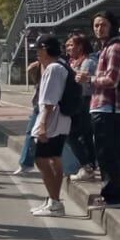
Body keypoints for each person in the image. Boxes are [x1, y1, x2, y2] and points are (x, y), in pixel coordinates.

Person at [88, 11, 120, 209]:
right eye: (96, 25)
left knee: (108, 154)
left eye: (103, 25)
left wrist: (88, 79)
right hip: (104, 107)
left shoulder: (115, 48)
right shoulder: (107, 47)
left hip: (109, 107)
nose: (99, 29)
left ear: (112, 26)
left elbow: (112, 80)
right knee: (111, 153)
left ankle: (113, 197)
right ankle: (116, 196)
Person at [30, 37, 74, 217]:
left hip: (52, 122)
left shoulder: (54, 69)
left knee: (43, 159)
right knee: (53, 158)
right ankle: (53, 200)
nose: (37, 53)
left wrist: (42, 125)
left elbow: (49, 101)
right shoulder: (62, 65)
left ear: (45, 49)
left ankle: (55, 202)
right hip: (61, 120)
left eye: (38, 49)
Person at [64, 34, 99, 181]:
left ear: (80, 46)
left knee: (72, 135)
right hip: (82, 102)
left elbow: (83, 86)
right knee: (85, 136)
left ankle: (87, 166)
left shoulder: (88, 63)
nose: (68, 49)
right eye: (67, 46)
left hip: (84, 102)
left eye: (71, 45)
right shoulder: (75, 62)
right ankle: (89, 166)